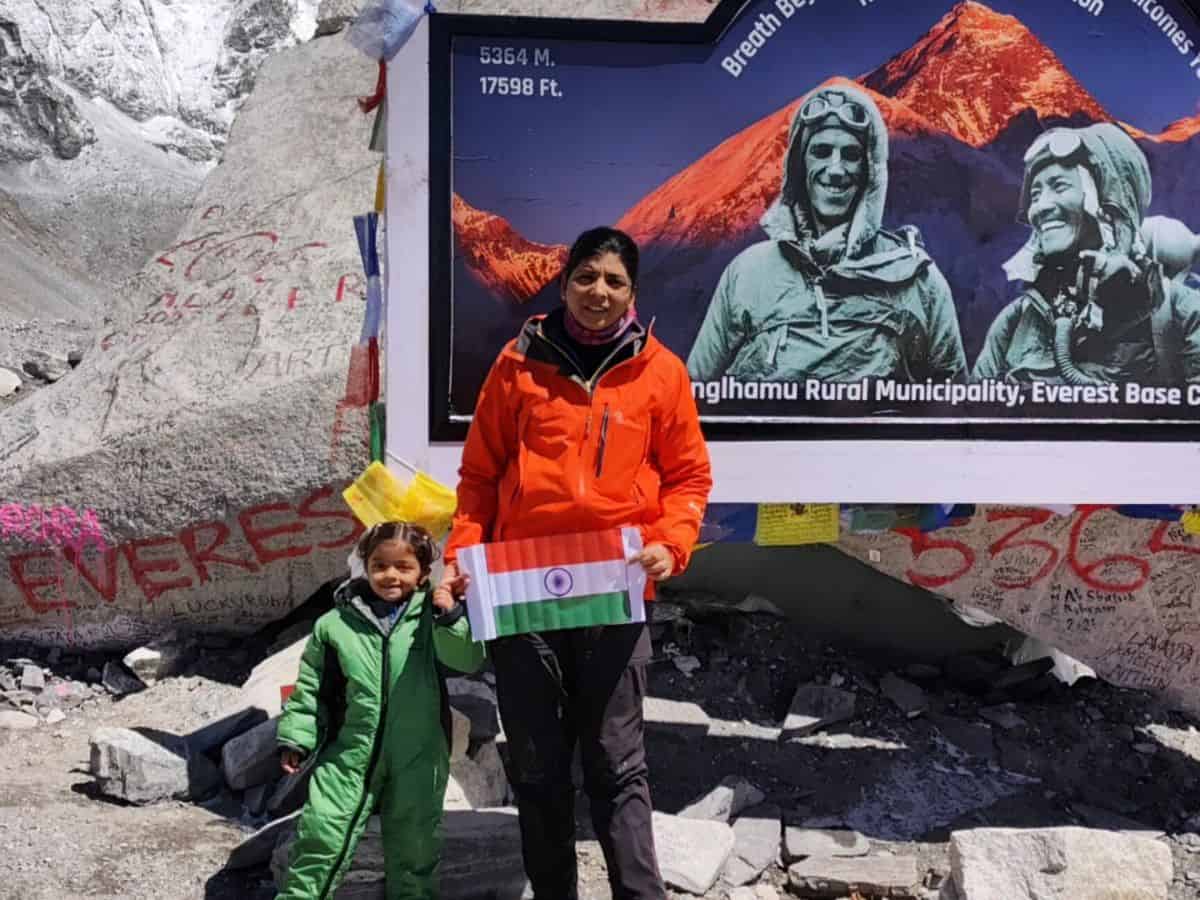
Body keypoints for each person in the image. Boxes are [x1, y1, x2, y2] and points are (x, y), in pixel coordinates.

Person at [438, 226, 713, 900]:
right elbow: (478, 478)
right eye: (586, 277)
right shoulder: (517, 365)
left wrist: (670, 544)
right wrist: (461, 558)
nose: (599, 292)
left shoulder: (661, 372)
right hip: (522, 591)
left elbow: (688, 480)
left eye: (614, 281)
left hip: (615, 592)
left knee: (618, 765)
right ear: (563, 285)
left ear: (632, 293)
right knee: (537, 769)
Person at [687, 82, 966, 386]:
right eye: (821, 151)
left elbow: (954, 410)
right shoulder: (748, 274)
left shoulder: (917, 280)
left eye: (850, 154)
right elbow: (693, 397)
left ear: (870, 169)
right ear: (798, 163)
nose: (835, 169)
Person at [274, 521, 483, 900]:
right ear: (365, 565)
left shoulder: (431, 616)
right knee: (320, 833)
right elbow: (312, 688)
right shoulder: (335, 624)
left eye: (403, 567)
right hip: (350, 753)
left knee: (416, 847)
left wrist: (449, 615)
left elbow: (467, 658)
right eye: (380, 565)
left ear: (422, 571)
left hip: (418, 757)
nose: (390, 575)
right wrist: (298, 737)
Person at [973, 123, 1200, 385]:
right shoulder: (1015, 323)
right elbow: (972, 415)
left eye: (1059, 187)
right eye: (1035, 195)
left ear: (1109, 200)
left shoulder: (1182, 314)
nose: (1040, 207)